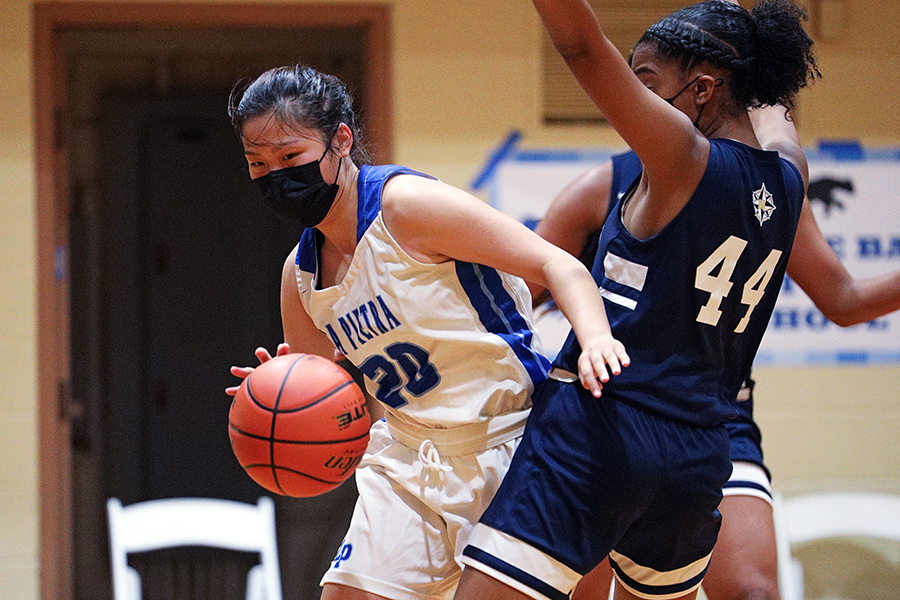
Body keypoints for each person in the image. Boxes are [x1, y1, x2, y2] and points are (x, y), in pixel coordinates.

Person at [454, 1, 819, 599]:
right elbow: (775, 116)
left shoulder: (684, 157)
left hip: (602, 425)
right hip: (698, 456)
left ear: (702, 89)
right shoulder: (789, 176)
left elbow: (580, 47)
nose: (636, 102)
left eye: (647, 84)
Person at [224, 64, 629, 600]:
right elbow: (347, 405)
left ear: (340, 140)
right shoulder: (298, 276)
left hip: (510, 441)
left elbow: (562, 267)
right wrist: (285, 394)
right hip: (408, 459)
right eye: (258, 164)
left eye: (291, 157)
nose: (276, 176)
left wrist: (596, 339)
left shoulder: (407, 208)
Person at [538, 149, 900, 600]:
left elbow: (843, 298)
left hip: (715, 418)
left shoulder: (774, 181)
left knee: (753, 591)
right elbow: (517, 296)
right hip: (610, 410)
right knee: (579, 591)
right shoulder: (604, 184)